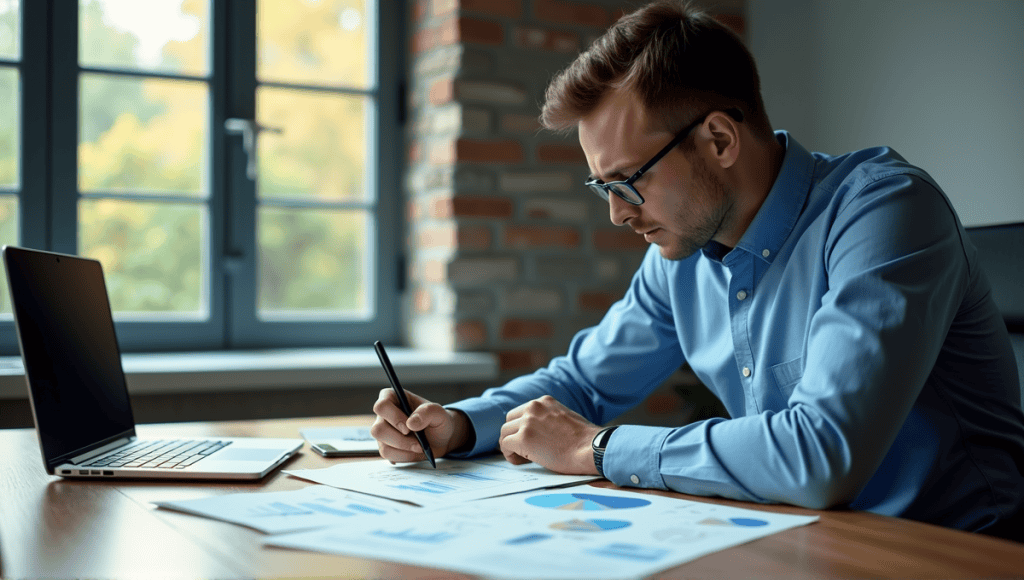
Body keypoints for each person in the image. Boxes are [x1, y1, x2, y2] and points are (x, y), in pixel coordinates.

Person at [372, 0, 1024, 539]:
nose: (617, 216)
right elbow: (582, 384)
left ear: (718, 139)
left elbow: (822, 455)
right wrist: (458, 425)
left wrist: (597, 451)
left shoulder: (886, 212)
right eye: (603, 188)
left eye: (627, 182)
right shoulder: (680, 255)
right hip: (807, 541)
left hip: (959, 550)